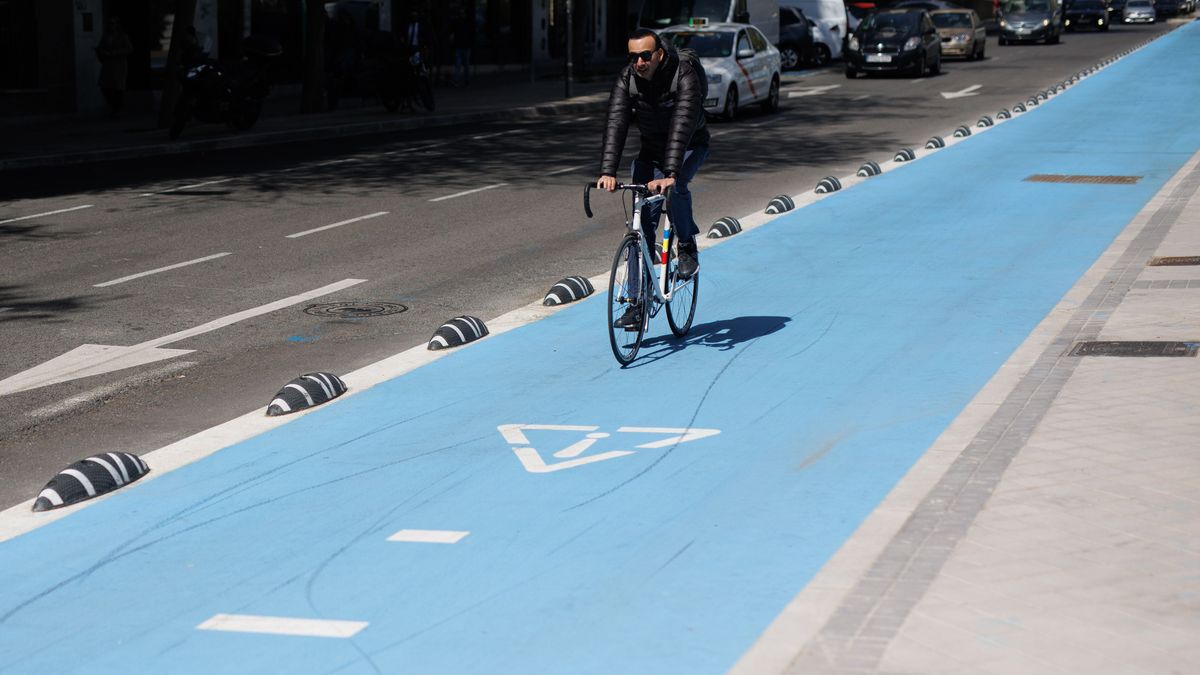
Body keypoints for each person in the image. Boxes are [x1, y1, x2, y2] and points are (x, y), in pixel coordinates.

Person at [596, 28, 709, 328]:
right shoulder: (627, 79)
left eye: (645, 56)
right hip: (651, 150)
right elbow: (616, 122)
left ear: (659, 54)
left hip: (689, 145)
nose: (639, 62)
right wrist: (607, 171)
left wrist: (670, 173)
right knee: (640, 228)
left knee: (677, 187)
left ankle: (686, 246)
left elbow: (682, 125)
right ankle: (636, 302)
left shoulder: (683, 75)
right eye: (633, 57)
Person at [96, 16, 133, 117]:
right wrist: (101, 52)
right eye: (110, 23)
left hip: (119, 65)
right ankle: (113, 107)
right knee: (104, 85)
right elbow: (101, 47)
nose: (112, 25)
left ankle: (116, 109)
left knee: (118, 87)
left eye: (113, 23)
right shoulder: (106, 36)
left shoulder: (122, 36)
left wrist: (114, 53)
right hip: (108, 64)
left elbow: (129, 49)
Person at [450, 7, 475, 87]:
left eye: (463, 13)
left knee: (463, 65)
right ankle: (461, 81)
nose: (462, 15)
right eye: (461, 13)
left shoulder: (466, 22)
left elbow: (471, 33)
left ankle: (464, 80)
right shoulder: (459, 22)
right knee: (461, 64)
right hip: (461, 46)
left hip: (464, 46)